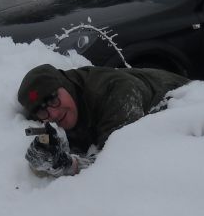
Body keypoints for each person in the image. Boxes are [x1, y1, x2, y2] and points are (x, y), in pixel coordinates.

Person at [18, 63, 189, 177]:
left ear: (66, 86)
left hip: (191, 102)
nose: (53, 114)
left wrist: (69, 164)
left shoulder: (116, 94)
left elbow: (118, 163)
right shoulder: (64, 104)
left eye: (53, 100)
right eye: (42, 111)